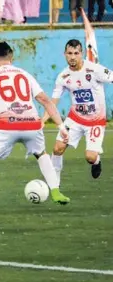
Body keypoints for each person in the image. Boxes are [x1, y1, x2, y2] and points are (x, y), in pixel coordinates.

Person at [0, 41, 70, 217]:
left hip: (6, 125)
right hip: (32, 123)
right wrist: (61, 126)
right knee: (41, 154)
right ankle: (56, 192)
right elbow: (45, 100)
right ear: (11, 58)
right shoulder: (25, 74)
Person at [42, 39, 113, 183]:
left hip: (95, 121)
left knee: (90, 157)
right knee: (57, 148)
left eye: (76, 53)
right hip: (75, 119)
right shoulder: (63, 77)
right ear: (64, 54)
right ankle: (54, 182)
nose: (73, 57)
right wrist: (42, 121)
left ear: (82, 54)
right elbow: (53, 102)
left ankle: (96, 161)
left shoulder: (95, 69)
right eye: (69, 53)